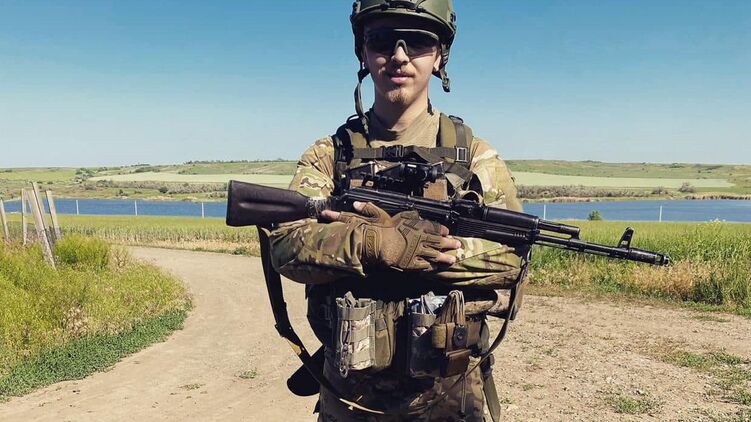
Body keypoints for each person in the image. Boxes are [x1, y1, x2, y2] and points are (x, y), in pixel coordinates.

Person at [270, 1, 526, 420]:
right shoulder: (331, 155)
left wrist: (429, 250)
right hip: (350, 398)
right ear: (363, 52)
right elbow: (285, 244)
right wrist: (371, 243)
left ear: (440, 56)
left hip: (451, 396)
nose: (400, 56)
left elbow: (514, 255)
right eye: (383, 40)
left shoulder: (475, 155)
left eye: (418, 42)